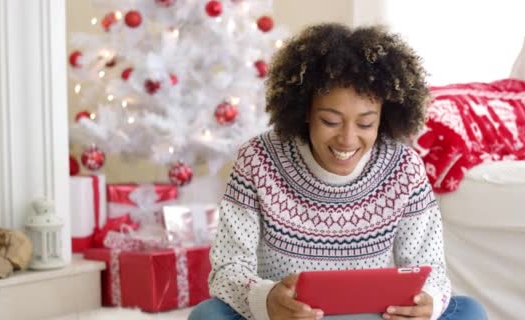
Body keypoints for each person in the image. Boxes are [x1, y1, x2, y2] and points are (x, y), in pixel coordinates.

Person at [189, 23, 487, 320]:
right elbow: (228, 268)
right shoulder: (257, 159)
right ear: (305, 111)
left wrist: (428, 303)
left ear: (385, 117)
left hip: (374, 316)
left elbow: (431, 270)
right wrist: (266, 300)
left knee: (470, 312)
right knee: (208, 315)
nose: (347, 139)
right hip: (287, 318)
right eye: (331, 121)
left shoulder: (404, 168)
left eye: (366, 124)